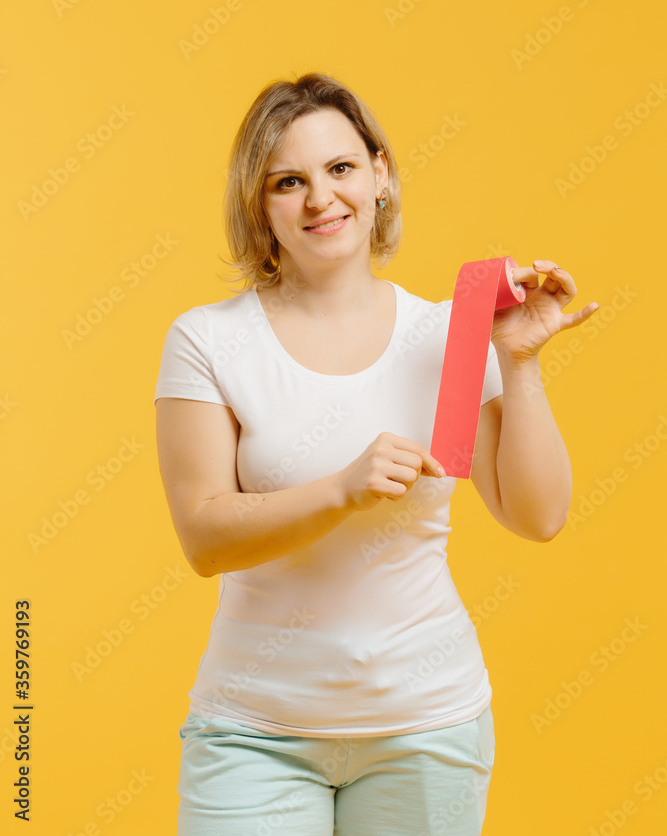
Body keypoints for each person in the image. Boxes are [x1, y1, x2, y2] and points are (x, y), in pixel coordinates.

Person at [154, 71, 599, 836]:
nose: (320, 199)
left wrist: (517, 361)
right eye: (288, 182)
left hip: (428, 729)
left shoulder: (450, 334)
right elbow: (204, 537)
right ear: (259, 204)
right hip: (255, 730)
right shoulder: (209, 339)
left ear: (379, 174)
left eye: (340, 168)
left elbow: (537, 516)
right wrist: (341, 490)